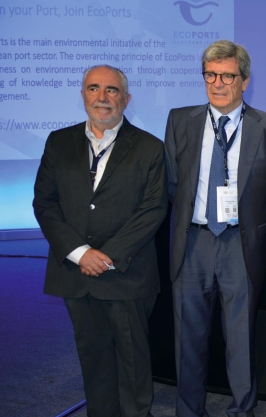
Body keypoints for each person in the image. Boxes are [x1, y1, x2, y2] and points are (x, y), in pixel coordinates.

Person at [33, 64, 167, 417]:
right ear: (83, 95)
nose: (102, 97)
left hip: (126, 274)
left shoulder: (151, 148)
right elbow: (45, 203)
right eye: (94, 88)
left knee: (133, 360)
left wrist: (105, 256)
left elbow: (153, 210)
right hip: (76, 273)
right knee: (92, 358)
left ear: (126, 99)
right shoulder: (58, 142)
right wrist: (81, 254)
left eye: (111, 90)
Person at [164, 39, 266, 417]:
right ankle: (189, 411)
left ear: (244, 80)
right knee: (188, 338)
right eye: (210, 75)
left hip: (240, 243)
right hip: (194, 242)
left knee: (241, 340)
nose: (218, 83)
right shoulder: (179, 120)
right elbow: (173, 183)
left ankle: (242, 410)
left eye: (227, 76)